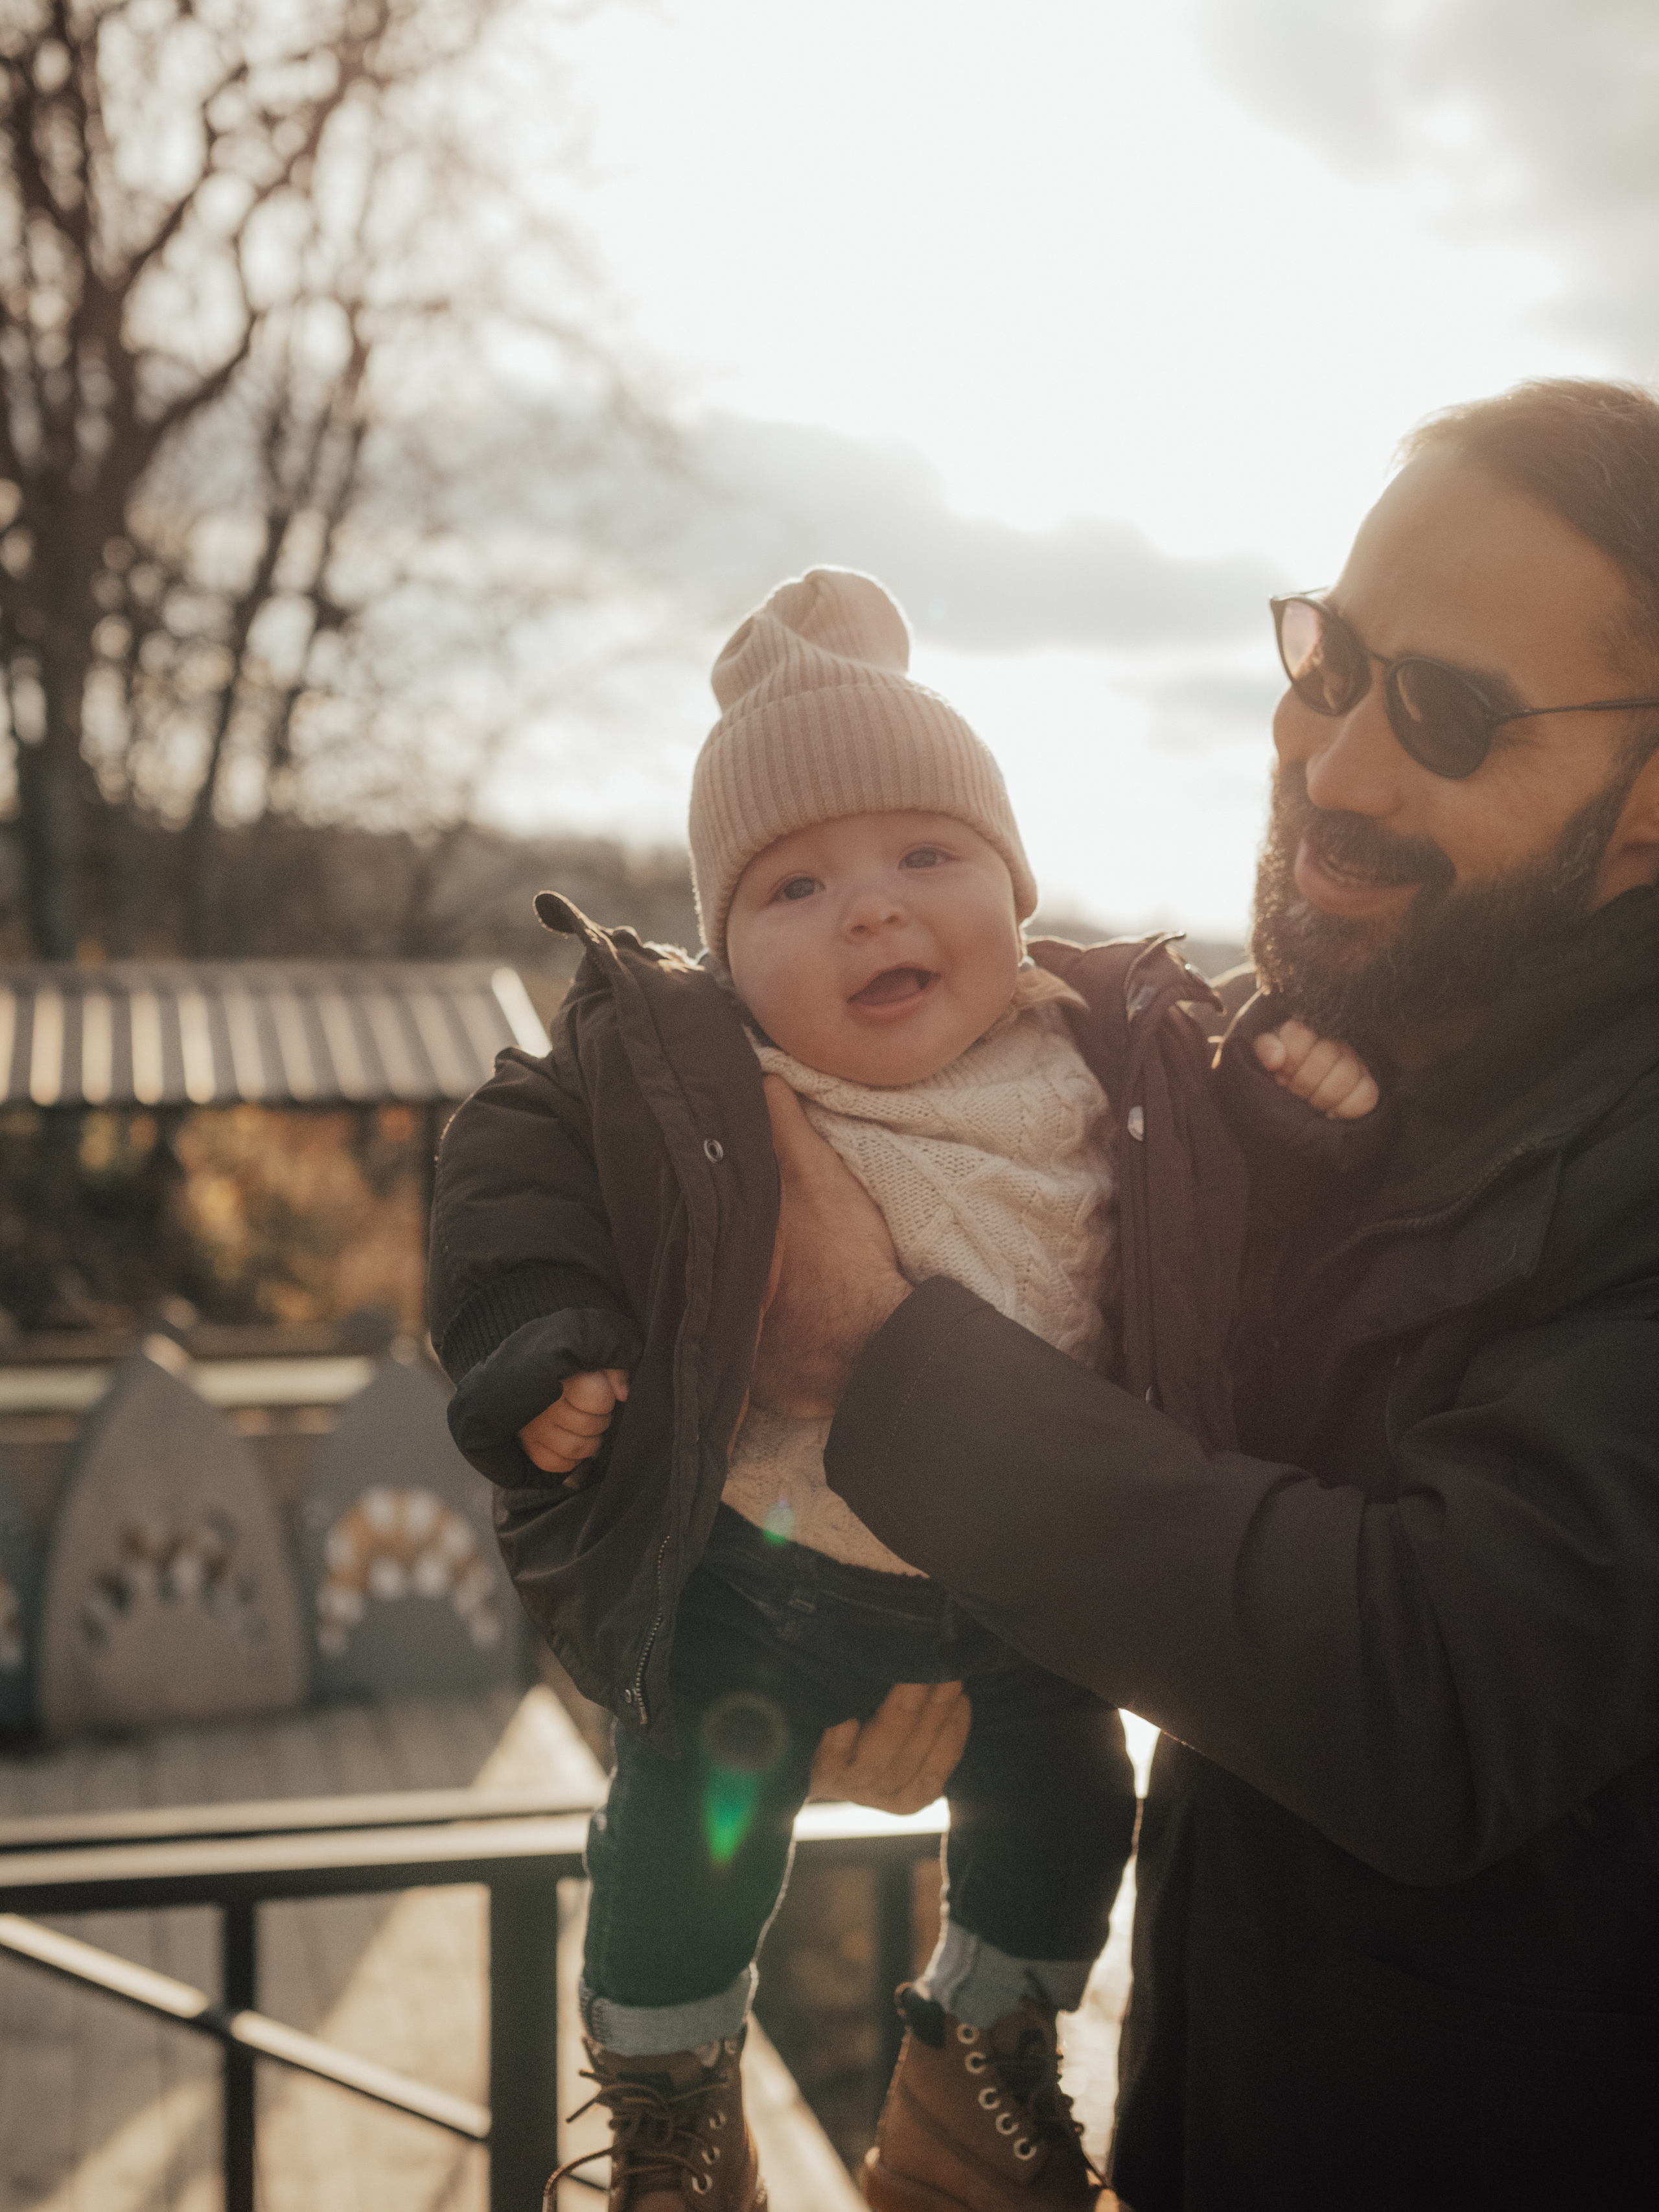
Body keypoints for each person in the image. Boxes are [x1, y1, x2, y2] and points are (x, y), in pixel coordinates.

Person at [750, 380, 1659, 2212]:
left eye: (1453, 715)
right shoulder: (1306, 1081)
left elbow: (1440, 1683)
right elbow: (1156, 1491)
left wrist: (885, 1375)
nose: (1337, 765)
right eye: (1335, 659)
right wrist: (864, 1637)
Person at [427, 568, 1373, 2212]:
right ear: (723, 953)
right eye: (795, 886)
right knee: (685, 1825)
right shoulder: (698, 1066)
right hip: (766, 1575)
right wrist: (544, 1330)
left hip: (1029, 1586)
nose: (871, 909)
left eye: (927, 857)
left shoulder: (1111, 1041)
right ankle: (666, 2101)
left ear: (1011, 883)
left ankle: (978, 2065)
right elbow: (509, 1162)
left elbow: (1228, 1183)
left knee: (1073, 1811)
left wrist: (1292, 1106)